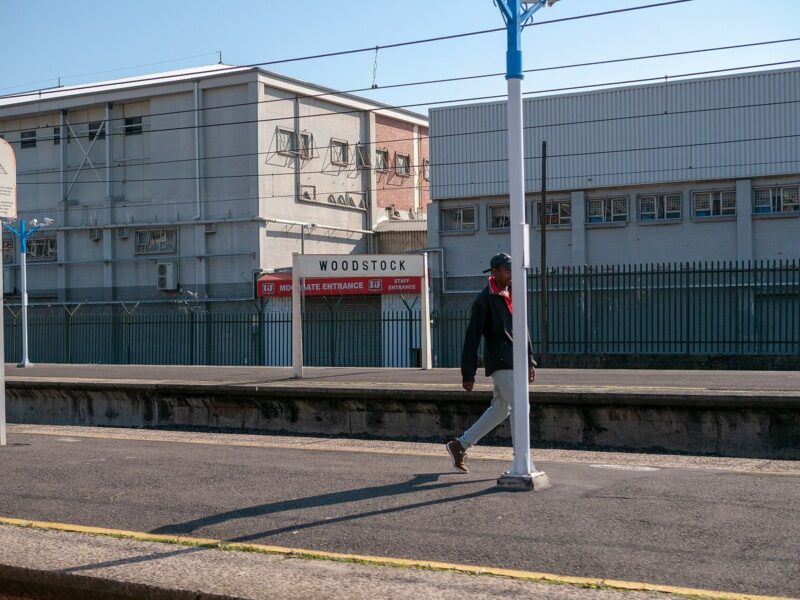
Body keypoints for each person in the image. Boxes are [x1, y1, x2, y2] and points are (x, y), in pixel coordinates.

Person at [446, 252, 535, 474]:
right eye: (507, 270)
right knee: (520, 406)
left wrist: (530, 360)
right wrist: (468, 373)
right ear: (494, 272)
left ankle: (460, 445)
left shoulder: (512, 292)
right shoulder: (483, 301)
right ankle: (520, 460)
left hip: (515, 360)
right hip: (501, 361)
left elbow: (522, 328)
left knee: (500, 410)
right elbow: (472, 338)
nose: (512, 274)